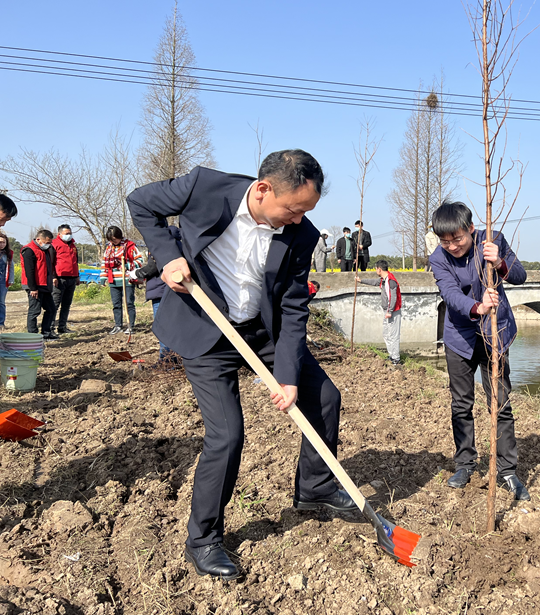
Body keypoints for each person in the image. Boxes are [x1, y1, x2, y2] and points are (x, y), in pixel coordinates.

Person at [128, 149, 351, 581]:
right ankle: (204, 539)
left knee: (324, 397)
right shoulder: (203, 187)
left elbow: (291, 304)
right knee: (227, 434)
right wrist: (168, 254)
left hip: (261, 331)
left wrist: (287, 376)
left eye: (306, 211)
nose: (298, 219)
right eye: (293, 209)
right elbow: (142, 202)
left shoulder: (300, 235)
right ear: (264, 190)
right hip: (205, 328)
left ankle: (315, 487)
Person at [427, 201, 531, 501]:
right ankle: (464, 463)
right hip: (460, 337)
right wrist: (477, 306)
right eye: (445, 241)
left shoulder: (493, 240)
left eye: (457, 239)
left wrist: (499, 263)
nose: (452, 246)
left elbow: (520, 276)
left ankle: (508, 470)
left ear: (471, 229)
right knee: (461, 404)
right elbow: (449, 294)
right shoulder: (438, 258)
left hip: (495, 333)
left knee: (500, 403)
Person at [132, 225, 183, 368]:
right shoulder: (178, 242)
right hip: (169, 290)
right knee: (173, 326)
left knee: (163, 326)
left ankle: (167, 361)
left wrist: (137, 273)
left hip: (161, 291)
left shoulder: (161, 243)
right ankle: (175, 358)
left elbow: (153, 267)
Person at [99, 226, 144, 334]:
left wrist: (128, 265)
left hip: (127, 279)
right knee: (116, 304)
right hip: (114, 279)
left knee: (129, 302)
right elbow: (105, 263)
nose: (112, 242)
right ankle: (118, 325)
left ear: (119, 236)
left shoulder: (130, 246)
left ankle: (130, 325)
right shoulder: (109, 248)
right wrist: (103, 277)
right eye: (110, 240)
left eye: (114, 239)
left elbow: (140, 260)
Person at [357, 259, 402, 365]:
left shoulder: (391, 281)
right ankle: (392, 355)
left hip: (392, 311)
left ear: (379, 269)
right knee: (386, 333)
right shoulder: (383, 280)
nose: (375, 271)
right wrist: (361, 280)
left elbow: (393, 297)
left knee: (393, 334)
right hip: (386, 310)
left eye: (376, 269)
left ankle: (396, 358)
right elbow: (374, 282)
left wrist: (390, 311)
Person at [21, 229, 58, 339]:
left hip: (45, 285)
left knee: (51, 309)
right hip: (34, 286)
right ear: (38, 239)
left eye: (50, 243)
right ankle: (32, 336)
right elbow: (29, 271)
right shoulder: (29, 250)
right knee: (35, 311)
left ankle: (46, 333)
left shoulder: (45, 250)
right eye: (47, 242)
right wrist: (33, 288)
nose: (49, 245)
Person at [51, 224, 80, 335]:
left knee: (66, 304)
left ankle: (62, 327)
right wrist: (53, 276)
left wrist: (77, 276)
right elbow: (51, 262)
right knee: (55, 304)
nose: (69, 235)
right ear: (60, 234)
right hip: (59, 278)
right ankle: (50, 328)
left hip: (72, 278)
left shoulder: (73, 245)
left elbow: (75, 262)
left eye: (70, 233)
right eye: (66, 234)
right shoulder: (54, 245)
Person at [0, 232, 14, 329]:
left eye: (3, 242)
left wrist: (11, 280)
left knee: (1, 302)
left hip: (2, 281)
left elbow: (11, 267)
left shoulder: (8, 254)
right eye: (0, 242)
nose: (1, 244)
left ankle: (1, 323)